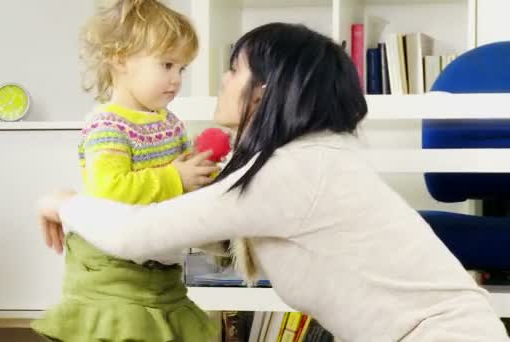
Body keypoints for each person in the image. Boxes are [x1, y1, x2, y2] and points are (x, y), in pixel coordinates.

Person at [40, 23, 510, 341]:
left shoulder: (286, 172)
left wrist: (65, 203)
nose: (221, 81)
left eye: (233, 70)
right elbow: (205, 234)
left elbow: (132, 235)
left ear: (262, 91)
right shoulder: (311, 158)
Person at [31, 1, 219, 341]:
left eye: (182, 69)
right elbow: (110, 190)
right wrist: (175, 177)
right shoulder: (107, 124)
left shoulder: (170, 123)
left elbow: (182, 187)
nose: (176, 80)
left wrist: (203, 174)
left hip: (160, 267)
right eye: (167, 64)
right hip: (112, 270)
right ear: (121, 59)